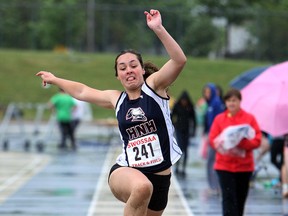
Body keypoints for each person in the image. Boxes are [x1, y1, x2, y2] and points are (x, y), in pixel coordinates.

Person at [36, 9, 186, 216]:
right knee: (142, 187)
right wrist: (54, 79)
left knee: (147, 190)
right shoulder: (117, 99)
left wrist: (158, 29)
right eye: (122, 68)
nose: (129, 70)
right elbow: (81, 91)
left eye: (133, 65)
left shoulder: (154, 88)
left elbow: (179, 60)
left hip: (160, 178)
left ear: (142, 70)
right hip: (127, 172)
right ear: (118, 76)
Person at [209, 88, 261, 216]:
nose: (231, 103)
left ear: (239, 101)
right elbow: (212, 139)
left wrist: (241, 143)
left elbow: (257, 140)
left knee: (240, 199)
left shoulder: (249, 118)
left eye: (234, 100)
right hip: (224, 166)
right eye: (228, 101)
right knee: (228, 198)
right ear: (225, 102)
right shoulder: (219, 119)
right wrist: (224, 143)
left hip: (244, 167)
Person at [203, 83, 225, 194]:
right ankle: (214, 186)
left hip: (216, 138)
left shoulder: (216, 103)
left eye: (208, 92)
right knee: (212, 162)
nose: (206, 94)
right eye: (205, 92)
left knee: (212, 162)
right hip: (212, 136)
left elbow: (219, 121)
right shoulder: (211, 103)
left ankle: (215, 187)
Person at [171, 90, 197, 177]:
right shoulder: (177, 106)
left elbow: (194, 120)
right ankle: (177, 167)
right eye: (183, 100)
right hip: (178, 129)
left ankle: (183, 168)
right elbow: (171, 116)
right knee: (179, 148)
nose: (184, 102)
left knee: (185, 150)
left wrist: (193, 131)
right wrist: (173, 125)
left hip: (187, 130)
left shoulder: (190, 107)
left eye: (185, 101)